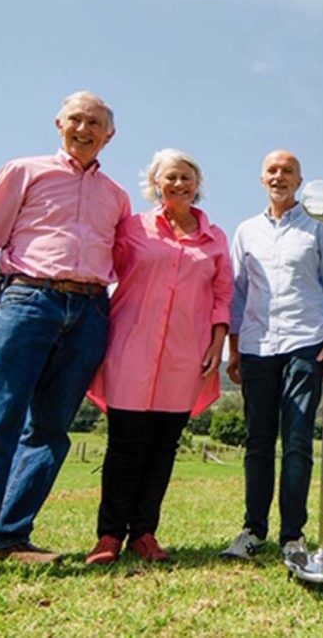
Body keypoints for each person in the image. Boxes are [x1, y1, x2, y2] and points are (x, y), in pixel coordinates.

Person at [0, 91, 130, 592]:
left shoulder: (117, 196)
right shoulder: (24, 171)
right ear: (60, 123)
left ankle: (10, 534)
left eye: (96, 123)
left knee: (50, 432)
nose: (84, 129)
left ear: (110, 134)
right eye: (76, 120)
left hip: (90, 310)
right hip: (27, 301)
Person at [84, 149, 232, 564]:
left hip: (186, 356)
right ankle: (110, 535)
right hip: (131, 348)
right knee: (125, 445)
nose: (179, 184)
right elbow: (100, 270)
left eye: (186, 177)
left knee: (164, 447)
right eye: (170, 177)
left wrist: (218, 343)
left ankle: (145, 533)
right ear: (155, 184)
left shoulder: (216, 237)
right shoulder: (132, 229)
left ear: (197, 184)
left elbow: (223, 294)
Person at [220, 150, 323, 564]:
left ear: (299, 181)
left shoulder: (319, 226)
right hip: (258, 345)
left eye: (288, 172)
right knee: (258, 440)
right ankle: (252, 530)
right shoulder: (246, 231)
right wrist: (234, 345)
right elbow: (239, 292)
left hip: (304, 341)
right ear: (262, 179)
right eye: (272, 171)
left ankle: (292, 535)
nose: (280, 177)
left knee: (296, 439)